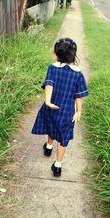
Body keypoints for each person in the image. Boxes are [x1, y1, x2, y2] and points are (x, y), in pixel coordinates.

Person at [31, 37, 88, 177]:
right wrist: (78, 111)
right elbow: (78, 95)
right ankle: (57, 166)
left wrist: (48, 101)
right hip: (67, 111)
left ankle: (48, 147)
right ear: (73, 54)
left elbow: (49, 84)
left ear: (57, 54)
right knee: (63, 138)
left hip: (52, 107)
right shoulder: (78, 74)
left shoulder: (52, 68)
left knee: (51, 126)